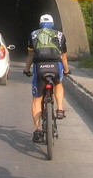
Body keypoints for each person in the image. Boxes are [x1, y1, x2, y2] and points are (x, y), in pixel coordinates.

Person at [24, 14, 70, 143]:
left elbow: (30, 56)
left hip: (39, 67)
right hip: (55, 66)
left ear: (40, 24)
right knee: (58, 84)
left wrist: (27, 69)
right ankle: (60, 109)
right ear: (52, 23)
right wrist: (66, 70)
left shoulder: (33, 35)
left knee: (37, 99)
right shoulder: (60, 35)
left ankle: (37, 130)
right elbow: (64, 57)